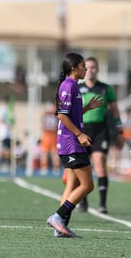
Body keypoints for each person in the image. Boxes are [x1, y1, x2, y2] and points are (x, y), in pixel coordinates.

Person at [46, 52, 103, 238]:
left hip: (71, 142)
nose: (86, 69)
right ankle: (58, 217)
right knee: (87, 185)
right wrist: (79, 135)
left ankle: (60, 227)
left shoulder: (74, 87)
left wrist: (87, 108)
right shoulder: (68, 86)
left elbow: (71, 113)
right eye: (82, 66)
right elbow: (61, 115)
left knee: (72, 184)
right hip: (71, 143)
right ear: (73, 68)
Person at [77, 57, 124, 214]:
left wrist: (119, 130)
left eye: (93, 67)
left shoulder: (105, 88)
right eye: (87, 67)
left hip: (100, 130)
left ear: (98, 69)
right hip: (83, 130)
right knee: (82, 167)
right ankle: (83, 201)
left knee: (99, 165)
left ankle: (102, 204)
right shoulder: (77, 87)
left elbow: (115, 111)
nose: (90, 70)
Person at [39, 102, 60, 176]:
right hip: (53, 133)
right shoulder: (55, 113)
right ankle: (55, 169)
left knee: (46, 152)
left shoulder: (47, 114)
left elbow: (42, 122)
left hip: (48, 133)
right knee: (52, 153)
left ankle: (44, 168)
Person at [0, 95, 15, 172]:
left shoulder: (11, 109)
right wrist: (8, 124)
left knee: (8, 149)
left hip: (9, 133)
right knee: (4, 149)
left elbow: (13, 120)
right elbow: (1, 119)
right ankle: (2, 163)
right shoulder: (2, 109)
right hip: (4, 132)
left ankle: (7, 164)